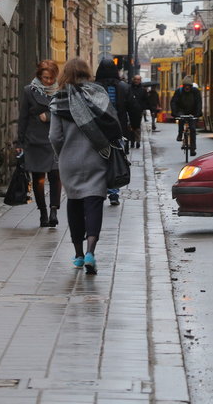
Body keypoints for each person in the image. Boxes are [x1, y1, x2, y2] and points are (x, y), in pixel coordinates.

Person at [50, 58, 124, 275]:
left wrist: (61, 155)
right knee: (93, 204)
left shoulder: (59, 99)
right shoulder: (98, 95)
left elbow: (54, 136)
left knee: (74, 204)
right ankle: (91, 251)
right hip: (96, 157)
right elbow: (113, 124)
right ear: (87, 73)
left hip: (69, 161)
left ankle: (79, 255)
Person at [16, 59, 62, 228]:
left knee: (56, 176)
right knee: (39, 179)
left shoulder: (61, 91)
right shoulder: (29, 91)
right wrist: (19, 141)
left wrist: (49, 116)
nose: (48, 81)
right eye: (45, 78)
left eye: (51, 78)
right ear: (39, 76)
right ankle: (42, 211)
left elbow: (66, 112)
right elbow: (23, 117)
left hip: (55, 140)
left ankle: (54, 210)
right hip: (35, 140)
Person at [94, 58, 132, 205]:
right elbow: (132, 108)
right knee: (115, 160)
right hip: (118, 130)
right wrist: (134, 126)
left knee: (99, 160)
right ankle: (114, 193)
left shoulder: (93, 87)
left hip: (98, 130)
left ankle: (99, 190)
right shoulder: (123, 87)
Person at [170, 75, 202, 155]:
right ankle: (180, 134)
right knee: (181, 119)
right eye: (185, 86)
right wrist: (174, 112)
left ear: (191, 86)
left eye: (189, 86)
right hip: (182, 110)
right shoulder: (179, 91)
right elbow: (173, 102)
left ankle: (193, 149)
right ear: (183, 86)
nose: (187, 87)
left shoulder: (195, 92)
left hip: (192, 112)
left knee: (193, 129)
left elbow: (199, 103)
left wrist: (198, 113)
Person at [128, 75, 148, 148]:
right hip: (130, 110)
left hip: (138, 111)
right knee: (131, 126)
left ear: (140, 80)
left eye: (138, 79)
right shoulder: (129, 88)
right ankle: (132, 141)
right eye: (135, 79)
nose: (136, 81)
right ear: (133, 80)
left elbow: (145, 100)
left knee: (137, 126)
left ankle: (138, 141)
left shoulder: (143, 90)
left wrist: (142, 108)